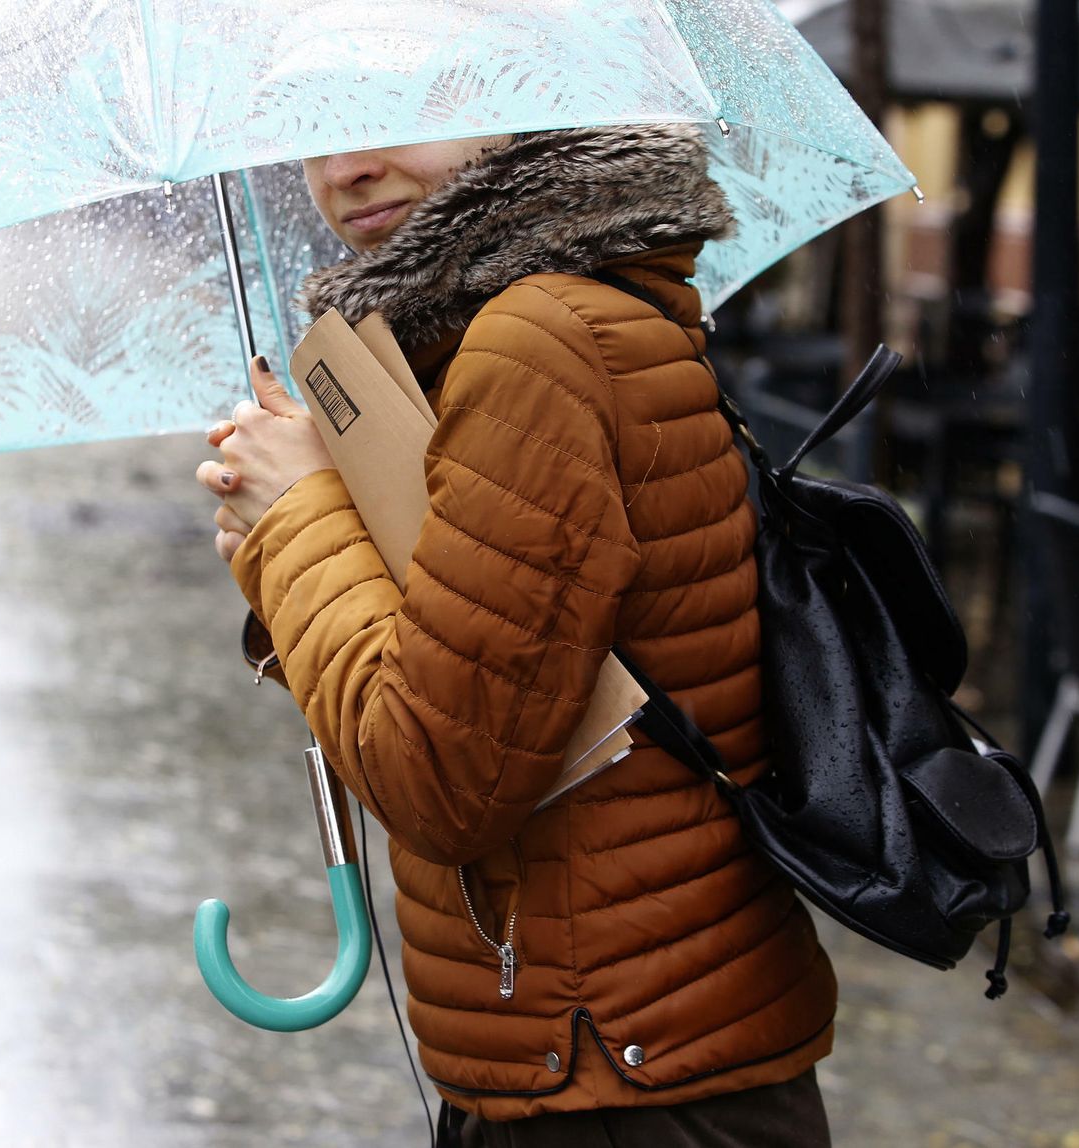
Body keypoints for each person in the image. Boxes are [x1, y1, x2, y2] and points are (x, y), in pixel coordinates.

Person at [194, 127, 836, 1147]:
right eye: (311, 130)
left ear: (519, 98)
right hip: (606, 1048)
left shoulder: (532, 341)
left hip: (612, 1071)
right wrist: (296, 544)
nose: (343, 167)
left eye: (394, 106)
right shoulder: (510, 327)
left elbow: (440, 780)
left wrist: (299, 524)